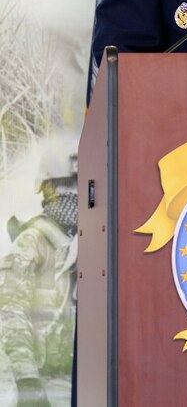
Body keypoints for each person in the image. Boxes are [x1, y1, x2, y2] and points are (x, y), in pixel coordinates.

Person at [0, 141, 78, 407]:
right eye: (65, 188)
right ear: (47, 190)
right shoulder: (32, 242)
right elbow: (10, 311)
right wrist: (27, 379)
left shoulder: (93, 241)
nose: (73, 195)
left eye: (78, 187)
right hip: (45, 383)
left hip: (86, 377)